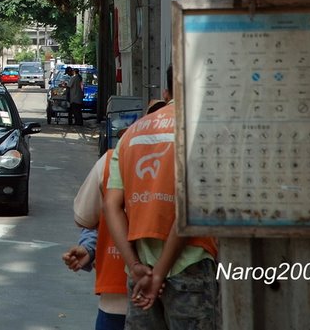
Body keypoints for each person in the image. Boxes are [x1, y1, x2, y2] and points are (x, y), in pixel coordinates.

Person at [103, 77, 219, 329]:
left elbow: (111, 205)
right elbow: (189, 207)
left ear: (167, 90)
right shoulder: (204, 132)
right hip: (191, 265)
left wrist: (135, 266)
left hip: (140, 269)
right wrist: (159, 274)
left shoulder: (131, 134)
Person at [62, 148, 128, 330]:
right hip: (183, 299)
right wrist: (90, 247)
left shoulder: (114, 158)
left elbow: (85, 217)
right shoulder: (194, 154)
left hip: (118, 299)